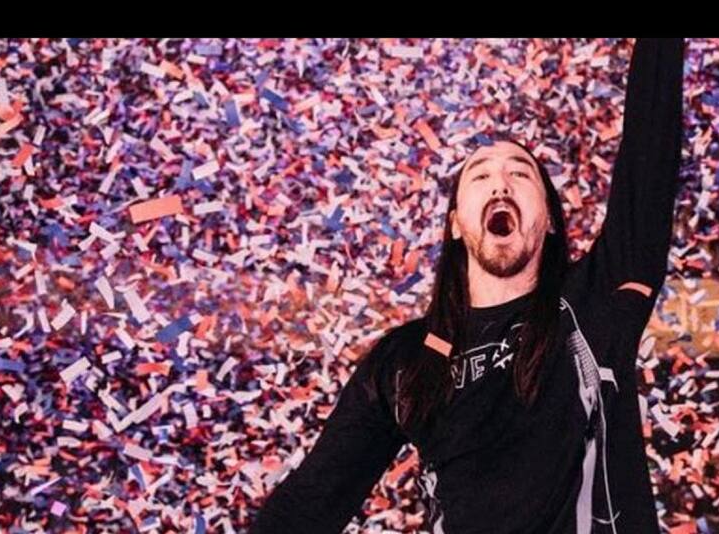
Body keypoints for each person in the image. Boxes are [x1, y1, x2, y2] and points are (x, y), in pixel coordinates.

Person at [252, 38, 684, 534]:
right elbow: (311, 501)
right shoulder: (404, 362)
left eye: (520, 173)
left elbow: (651, 148)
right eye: (480, 176)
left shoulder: (596, 301)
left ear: (549, 219)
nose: (501, 184)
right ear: (456, 224)